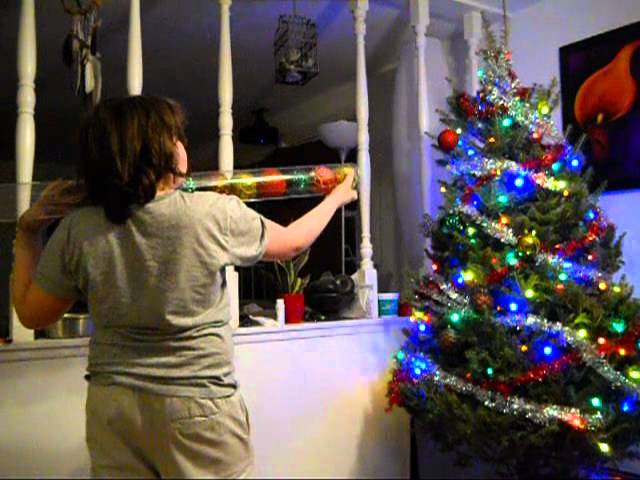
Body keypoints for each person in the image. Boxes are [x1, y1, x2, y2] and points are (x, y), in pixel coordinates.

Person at [10, 95, 358, 478]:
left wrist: (27, 233)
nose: (183, 145)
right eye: (176, 137)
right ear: (158, 150)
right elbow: (292, 243)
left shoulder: (78, 229)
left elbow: (31, 314)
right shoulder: (210, 213)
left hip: (114, 407)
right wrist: (335, 199)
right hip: (196, 404)